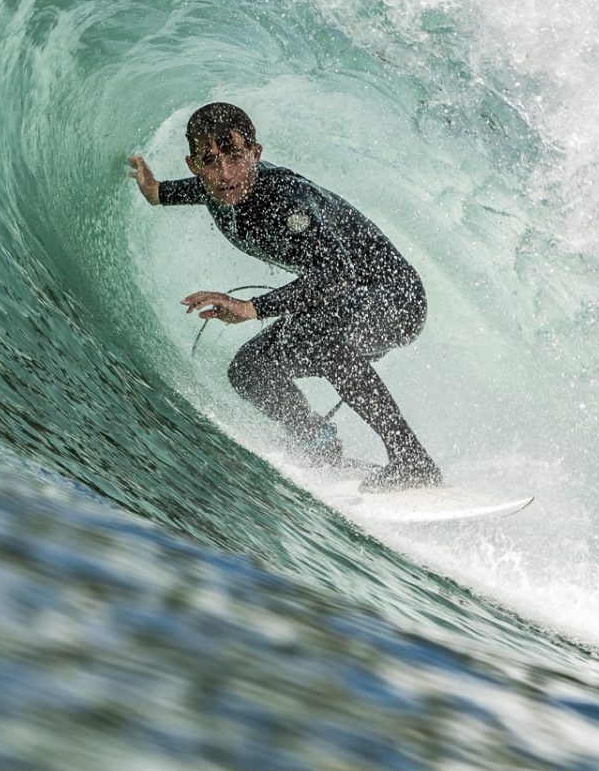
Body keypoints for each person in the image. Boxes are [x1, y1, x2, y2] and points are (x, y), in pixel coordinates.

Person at [127, 102, 444, 492]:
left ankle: (412, 461)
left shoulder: (285, 200)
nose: (225, 173)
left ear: (255, 153)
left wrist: (252, 308)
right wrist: (154, 190)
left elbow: (337, 273)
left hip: (395, 297)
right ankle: (318, 442)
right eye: (210, 161)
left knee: (320, 335)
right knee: (250, 369)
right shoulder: (217, 189)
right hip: (339, 302)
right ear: (194, 166)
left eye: (235, 157)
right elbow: (168, 193)